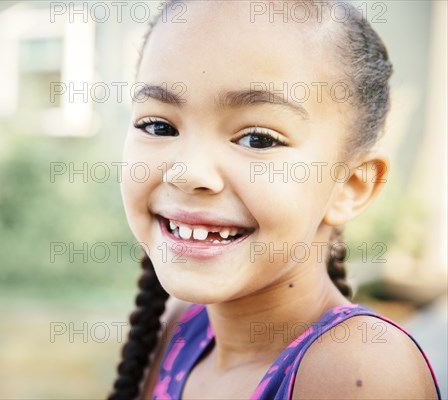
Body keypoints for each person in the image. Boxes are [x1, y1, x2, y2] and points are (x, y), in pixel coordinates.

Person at [109, 1, 441, 399]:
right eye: (158, 125)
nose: (188, 172)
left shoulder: (361, 370)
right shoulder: (183, 329)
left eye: (258, 139)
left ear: (350, 186)